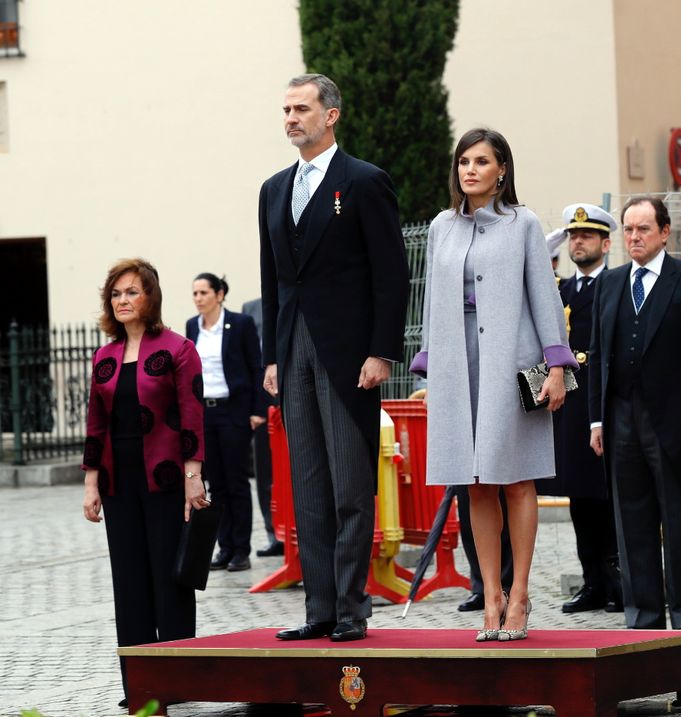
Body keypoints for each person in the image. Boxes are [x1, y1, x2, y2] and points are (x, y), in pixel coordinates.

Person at [259, 73, 409, 642]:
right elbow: (274, 279)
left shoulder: (365, 182)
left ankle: (351, 608)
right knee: (309, 487)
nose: (291, 118)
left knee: (350, 486)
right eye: (286, 109)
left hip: (349, 355)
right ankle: (318, 608)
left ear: (332, 115)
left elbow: (391, 275)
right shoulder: (273, 190)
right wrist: (274, 355)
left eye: (301, 108)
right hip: (292, 348)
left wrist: (382, 352)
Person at [410, 127, 576, 642]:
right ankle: (492, 596)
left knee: (516, 478)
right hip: (459, 366)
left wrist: (556, 366)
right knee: (474, 480)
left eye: (482, 161)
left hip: (510, 359)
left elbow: (544, 295)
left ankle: (521, 593)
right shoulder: (441, 225)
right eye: (464, 161)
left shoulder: (523, 223)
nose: (470, 170)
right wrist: (433, 370)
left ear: (502, 169)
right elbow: (433, 301)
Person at [588, 196, 681, 630]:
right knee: (631, 523)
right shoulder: (609, 284)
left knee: (680, 522)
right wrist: (596, 419)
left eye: (643, 229)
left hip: (675, 421)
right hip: (620, 417)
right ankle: (642, 620)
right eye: (628, 229)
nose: (634, 237)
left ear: (664, 232)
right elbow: (597, 354)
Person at [81, 258, 209, 707]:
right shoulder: (104, 356)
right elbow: (95, 425)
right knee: (129, 582)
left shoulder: (178, 348)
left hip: (169, 480)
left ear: (150, 297)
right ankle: (139, 684)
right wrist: (91, 484)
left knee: (168, 580)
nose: (123, 300)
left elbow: (193, 415)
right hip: (119, 483)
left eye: (132, 292)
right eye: (116, 294)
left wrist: (194, 476)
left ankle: (176, 679)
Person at [536, 203, 623, 614]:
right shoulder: (562, 290)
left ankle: (619, 582)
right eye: (573, 235)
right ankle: (592, 582)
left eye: (587, 235)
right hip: (571, 401)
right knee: (580, 498)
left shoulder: (617, 285)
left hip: (604, 399)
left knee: (610, 496)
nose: (578, 241)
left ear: (606, 243)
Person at [185, 273, 267, 572]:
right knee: (214, 483)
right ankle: (224, 546)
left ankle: (240, 550)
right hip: (204, 413)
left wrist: (258, 409)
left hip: (233, 411)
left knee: (236, 482)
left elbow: (256, 367)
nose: (198, 298)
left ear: (219, 294)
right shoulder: (192, 327)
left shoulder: (240, 324)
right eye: (195, 293)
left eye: (204, 292)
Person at [241, 296, 284, 557]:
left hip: (297, 392)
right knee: (266, 471)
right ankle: (274, 533)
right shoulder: (252, 308)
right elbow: (251, 362)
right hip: (264, 402)